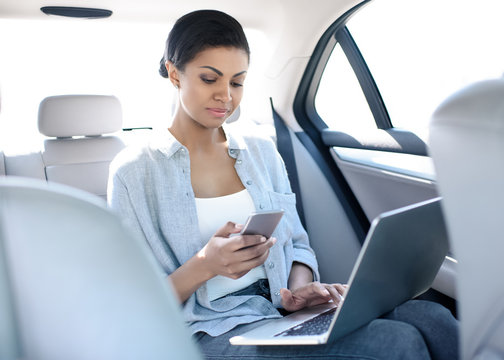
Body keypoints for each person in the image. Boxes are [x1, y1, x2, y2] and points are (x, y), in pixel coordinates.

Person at [108, 9, 458, 359]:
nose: (226, 96)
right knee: (395, 343)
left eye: (236, 82)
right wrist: (206, 265)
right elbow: (135, 303)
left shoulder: (261, 152)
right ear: (174, 74)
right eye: (209, 79)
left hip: (280, 313)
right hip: (211, 331)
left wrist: (299, 292)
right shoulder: (134, 172)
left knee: (432, 317)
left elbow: (298, 245)